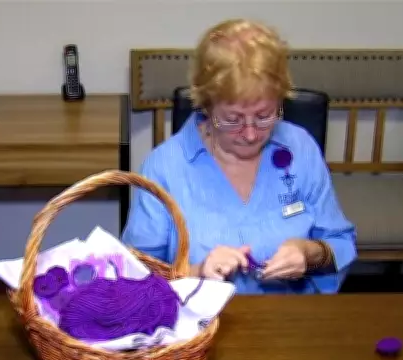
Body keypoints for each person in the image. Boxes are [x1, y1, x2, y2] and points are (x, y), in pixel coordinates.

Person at [122, 18, 357, 294]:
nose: (250, 134)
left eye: (264, 116)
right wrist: (197, 273)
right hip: (202, 327)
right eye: (232, 119)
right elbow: (133, 276)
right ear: (206, 105)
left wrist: (309, 254)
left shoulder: (299, 148)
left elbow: (341, 244)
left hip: (290, 321)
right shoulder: (163, 167)